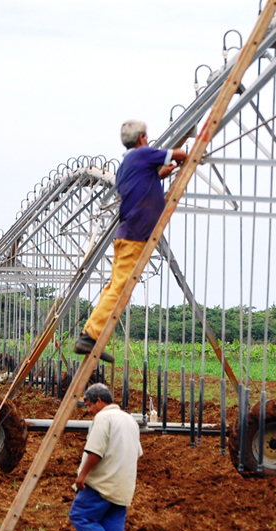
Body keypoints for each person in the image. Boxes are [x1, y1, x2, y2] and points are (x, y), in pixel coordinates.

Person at [75, 119, 187, 356]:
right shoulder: (143, 153)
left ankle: (90, 334)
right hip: (136, 233)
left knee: (113, 287)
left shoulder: (128, 163)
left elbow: (151, 178)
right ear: (142, 138)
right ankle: (90, 336)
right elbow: (180, 153)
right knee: (120, 290)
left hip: (127, 233)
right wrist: (185, 158)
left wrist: (165, 171)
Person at [69, 383, 143, 531]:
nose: (89, 410)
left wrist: (82, 475)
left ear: (99, 401)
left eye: (89, 405)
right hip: (123, 486)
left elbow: (95, 451)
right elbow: (137, 453)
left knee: (79, 515)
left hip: (102, 484)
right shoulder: (130, 420)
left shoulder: (103, 418)